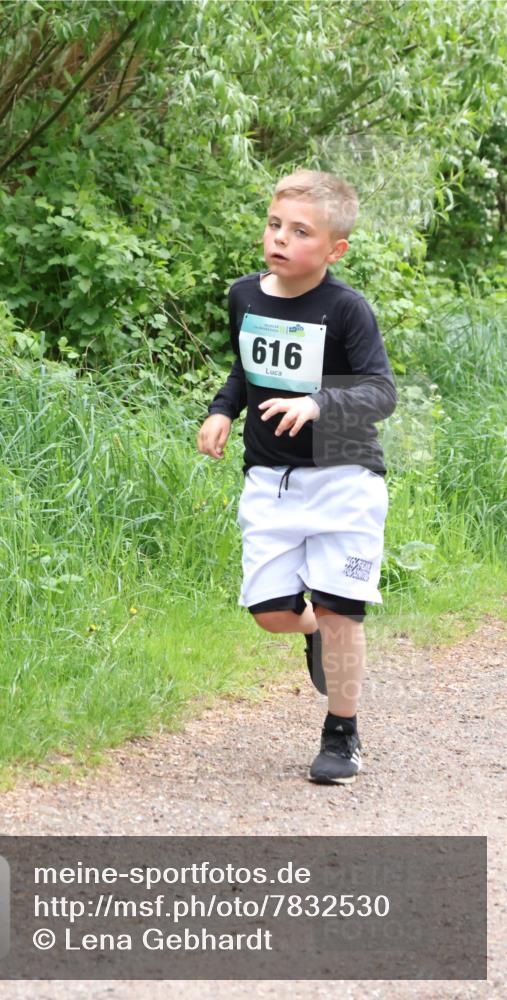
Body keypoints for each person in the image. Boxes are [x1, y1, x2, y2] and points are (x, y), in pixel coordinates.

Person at [196, 169, 397, 785]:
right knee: (270, 610)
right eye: (274, 224)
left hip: (344, 475)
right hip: (272, 479)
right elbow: (245, 364)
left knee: (343, 610)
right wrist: (222, 409)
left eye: (300, 231)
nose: (280, 238)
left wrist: (319, 403)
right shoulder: (244, 295)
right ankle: (311, 633)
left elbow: (381, 390)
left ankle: (342, 733)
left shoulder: (345, 309)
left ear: (334, 249)